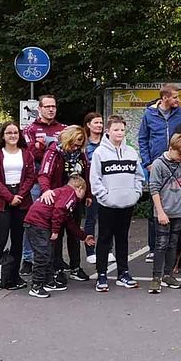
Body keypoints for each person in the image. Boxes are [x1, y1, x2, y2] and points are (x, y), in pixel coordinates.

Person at [90, 115, 145, 292]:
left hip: (127, 204)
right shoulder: (100, 153)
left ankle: (123, 273)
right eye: (115, 130)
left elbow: (139, 176)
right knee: (104, 239)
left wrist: (135, 194)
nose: (119, 133)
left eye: (122, 129)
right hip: (107, 205)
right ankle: (102, 275)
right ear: (108, 131)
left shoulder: (131, 152)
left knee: (122, 239)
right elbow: (95, 179)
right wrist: (104, 197)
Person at [138, 83, 181, 263]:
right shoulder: (149, 114)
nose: (178, 100)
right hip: (156, 165)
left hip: (177, 164)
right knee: (156, 204)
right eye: (175, 97)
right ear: (165, 98)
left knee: (177, 204)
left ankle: (177, 249)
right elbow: (143, 138)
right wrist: (147, 163)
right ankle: (153, 247)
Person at [38, 125, 92, 286]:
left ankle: (75, 267)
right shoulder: (54, 152)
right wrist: (46, 190)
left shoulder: (81, 154)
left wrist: (88, 194)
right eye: (74, 143)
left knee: (74, 233)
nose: (76, 147)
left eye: (79, 144)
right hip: (58, 199)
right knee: (57, 234)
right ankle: (57, 269)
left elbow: (86, 174)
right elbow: (44, 174)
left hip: (76, 200)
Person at [24, 175, 94, 298]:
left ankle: (48, 280)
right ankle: (36, 285)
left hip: (37, 222)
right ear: (79, 188)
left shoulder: (62, 193)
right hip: (38, 223)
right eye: (84, 192)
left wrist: (83, 236)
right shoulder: (70, 195)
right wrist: (55, 230)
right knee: (43, 254)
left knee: (49, 252)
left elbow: (69, 221)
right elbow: (59, 211)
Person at [0, 122, 36, 290]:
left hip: (21, 200)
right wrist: (9, 197)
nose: (13, 135)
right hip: (2, 200)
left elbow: (30, 177)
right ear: (3, 136)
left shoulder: (26, 154)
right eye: (9, 133)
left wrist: (19, 195)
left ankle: (14, 274)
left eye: (15, 132)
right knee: (0, 239)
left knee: (17, 240)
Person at [20, 94, 67, 275]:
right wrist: (50, 149)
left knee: (57, 219)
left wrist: (45, 148)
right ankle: (28, 258)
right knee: (34, 220)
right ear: (39, 109)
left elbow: (68, 151)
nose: (51, 109)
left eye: (53, 106)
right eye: (47, 106)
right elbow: (31, 154)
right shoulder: (30, 129)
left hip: (60, 181)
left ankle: (55, 257)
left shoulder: (63, 128)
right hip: (38, 182)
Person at [148, 133, 181, 294]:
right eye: (180, 153)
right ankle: (156, 278)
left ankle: (168, 275)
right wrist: (160, 212)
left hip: (178, 211)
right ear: (171, 148)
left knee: (173, 244)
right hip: (164, 211)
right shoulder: (158, 164)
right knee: (161, 244)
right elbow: (153, 188)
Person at [83, 112, 104, 264]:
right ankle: (90, 251)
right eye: (96, 123)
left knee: (106, 219)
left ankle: (106, 249)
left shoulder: (107, 142)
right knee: (91, 219)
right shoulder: (84, 144)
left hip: (107, 185)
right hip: (90, 187)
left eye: (101, 123)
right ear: (88, 125)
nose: (99, 126)